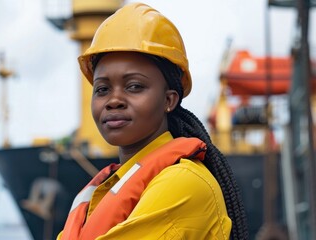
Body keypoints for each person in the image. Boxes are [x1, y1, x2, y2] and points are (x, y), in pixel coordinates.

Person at [57, 2, 248, 240]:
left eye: (134, 86)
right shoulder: (106, 189)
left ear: (169, 99)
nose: (113, 100)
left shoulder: (183, 184)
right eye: (102, 89)